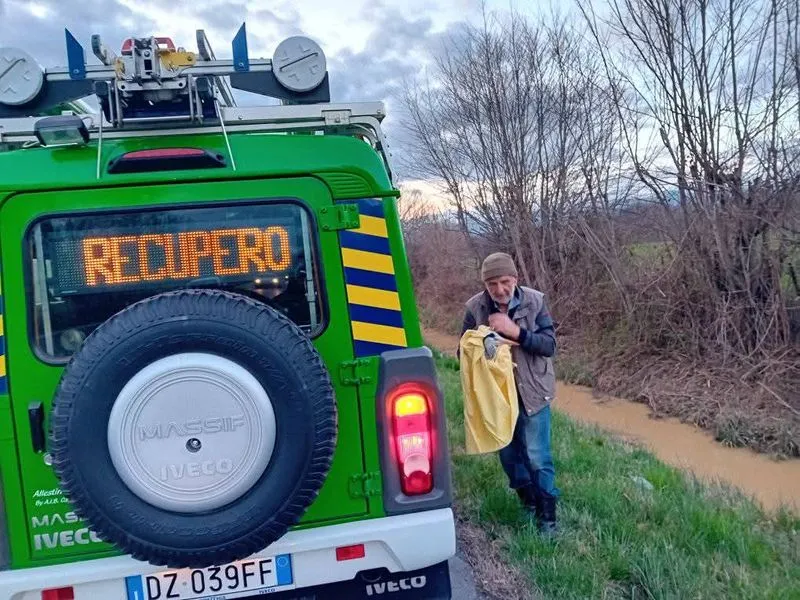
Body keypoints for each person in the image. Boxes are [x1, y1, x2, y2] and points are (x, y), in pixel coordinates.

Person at [460, 252, 559, 536]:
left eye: (504, 282)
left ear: (515, 279)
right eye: (492, 284)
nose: (499, 290)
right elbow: (462, 350)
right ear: (485, 285)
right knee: (509, 456)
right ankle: (527, 502)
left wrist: (515, 332)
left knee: (538, 456)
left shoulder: (535, 301)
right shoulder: (474, 308)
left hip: (534, 393)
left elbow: (549, 345)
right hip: (497, 399)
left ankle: (547, 518)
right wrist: (483, 341)